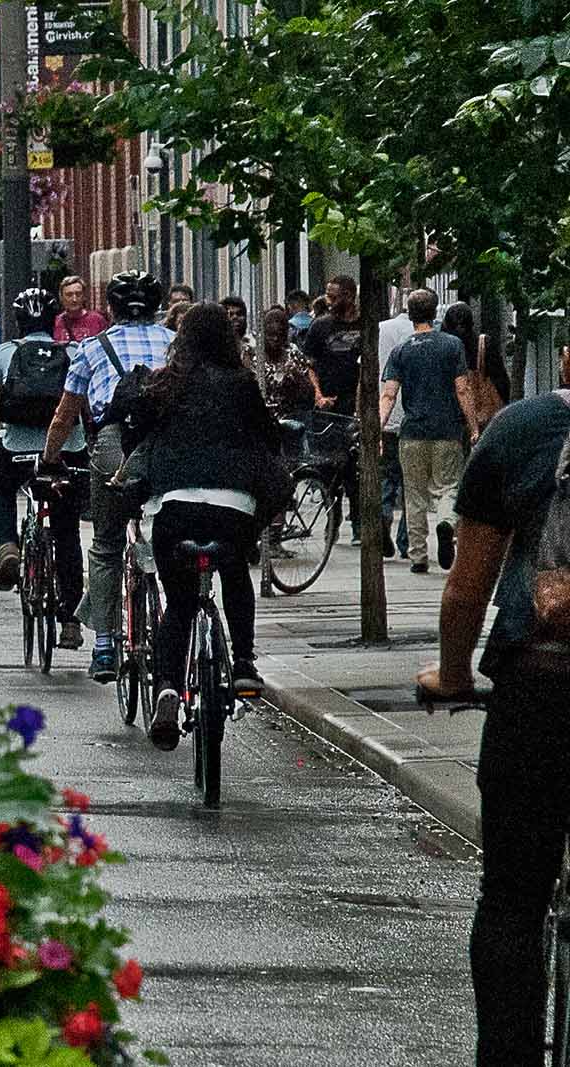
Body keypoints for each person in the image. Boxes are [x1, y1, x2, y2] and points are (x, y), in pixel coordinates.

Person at [415, 384, 570, 1066]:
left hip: (541, 683)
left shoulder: (523, 430)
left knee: (512, 894)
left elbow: (466, 589)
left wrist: (453, 675)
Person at [133, 303, 278, 749]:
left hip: (173, 506)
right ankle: (245, 665)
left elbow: (136, 431)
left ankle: (167, 692)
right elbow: (268, 439)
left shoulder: (164, 384)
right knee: (235, 575)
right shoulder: (242, 384)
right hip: (232, 507)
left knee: (177, 606)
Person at [42, 270, 176, 682]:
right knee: (171, 536)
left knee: (105, 544)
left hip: (113, 446)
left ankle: (103, 646)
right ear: (158, 307)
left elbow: (66, 415)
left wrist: (50, 459)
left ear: (111, 308)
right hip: (166, 447)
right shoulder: (175, 346)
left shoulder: (92, 348)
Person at [0, 288, 89, 650]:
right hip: (66, 451)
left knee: (0, 490)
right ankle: (70, 620)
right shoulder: (72, 352)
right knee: (67, 533)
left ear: (18, 321)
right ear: (53, 319)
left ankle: (8, 546)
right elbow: (81, 408)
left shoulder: (6, 353)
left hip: (17, 449)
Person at [379, 288, 474, 573]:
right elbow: (462, 388)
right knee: (448, 486)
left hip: (412, 433)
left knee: (414, 494)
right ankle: (446, 523)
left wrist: (377, 428)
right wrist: (473, 425)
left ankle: (418, 555)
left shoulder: (401, 350)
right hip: (447, 430)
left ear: (410, 314)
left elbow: (389, 394)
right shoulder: (452, 345)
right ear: (435, 313)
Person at [303, 273, 366, 542]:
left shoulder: (365, 325)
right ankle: (333, 516)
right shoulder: (320, 327)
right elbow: (309, 365)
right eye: (327, 295)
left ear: (350, 296)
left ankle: (359, 523)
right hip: (328, 405)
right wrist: (318, 394)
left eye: (334, 296)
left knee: (355, 466)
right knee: (328, 466)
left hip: (355, 401)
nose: (329, 301)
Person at [378, 303, 415, 560]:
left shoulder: (380, 329)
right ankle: (406, 541)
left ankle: (383, 514)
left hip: (387, 415)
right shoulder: (426, 334)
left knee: (387, 478)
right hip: (413, 419)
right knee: (411, 485)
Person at [442, 301, 511, 433]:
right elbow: (501, 381)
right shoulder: (483, 344)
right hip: (484, 417)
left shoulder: (445, 348)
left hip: (453, 418)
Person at [254, 305, 314, 415]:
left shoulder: (293, 354)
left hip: (290, 419)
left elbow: (310, 394)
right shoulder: (254, 356)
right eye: (271, 335)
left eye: (279, 335)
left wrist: (297, 375)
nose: (275, 339)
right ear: (263, 334)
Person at [53, 275, 110, 344]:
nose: (74, 299)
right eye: (69, 295)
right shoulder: (56, 321)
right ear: (61, 298)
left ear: (84, 296)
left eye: (78, 294)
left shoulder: (97, 320)